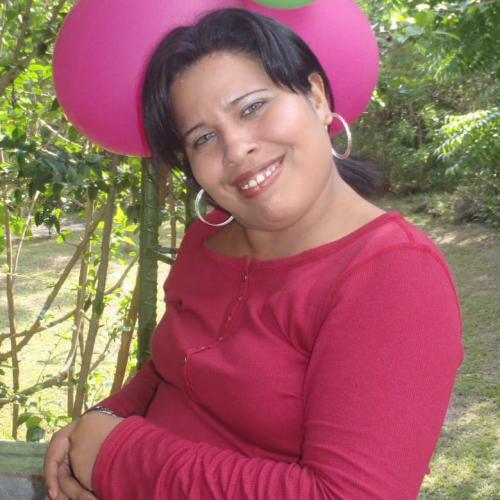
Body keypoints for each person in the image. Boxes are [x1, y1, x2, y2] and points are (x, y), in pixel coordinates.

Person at [44, 8, 464, 500]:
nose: (236, 148)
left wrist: (117, 454)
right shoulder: (208, 237)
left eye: (252, 107)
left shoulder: (394, 274)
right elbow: (173, 369)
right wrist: (107, 416)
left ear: (316, 97)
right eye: (203, 137)